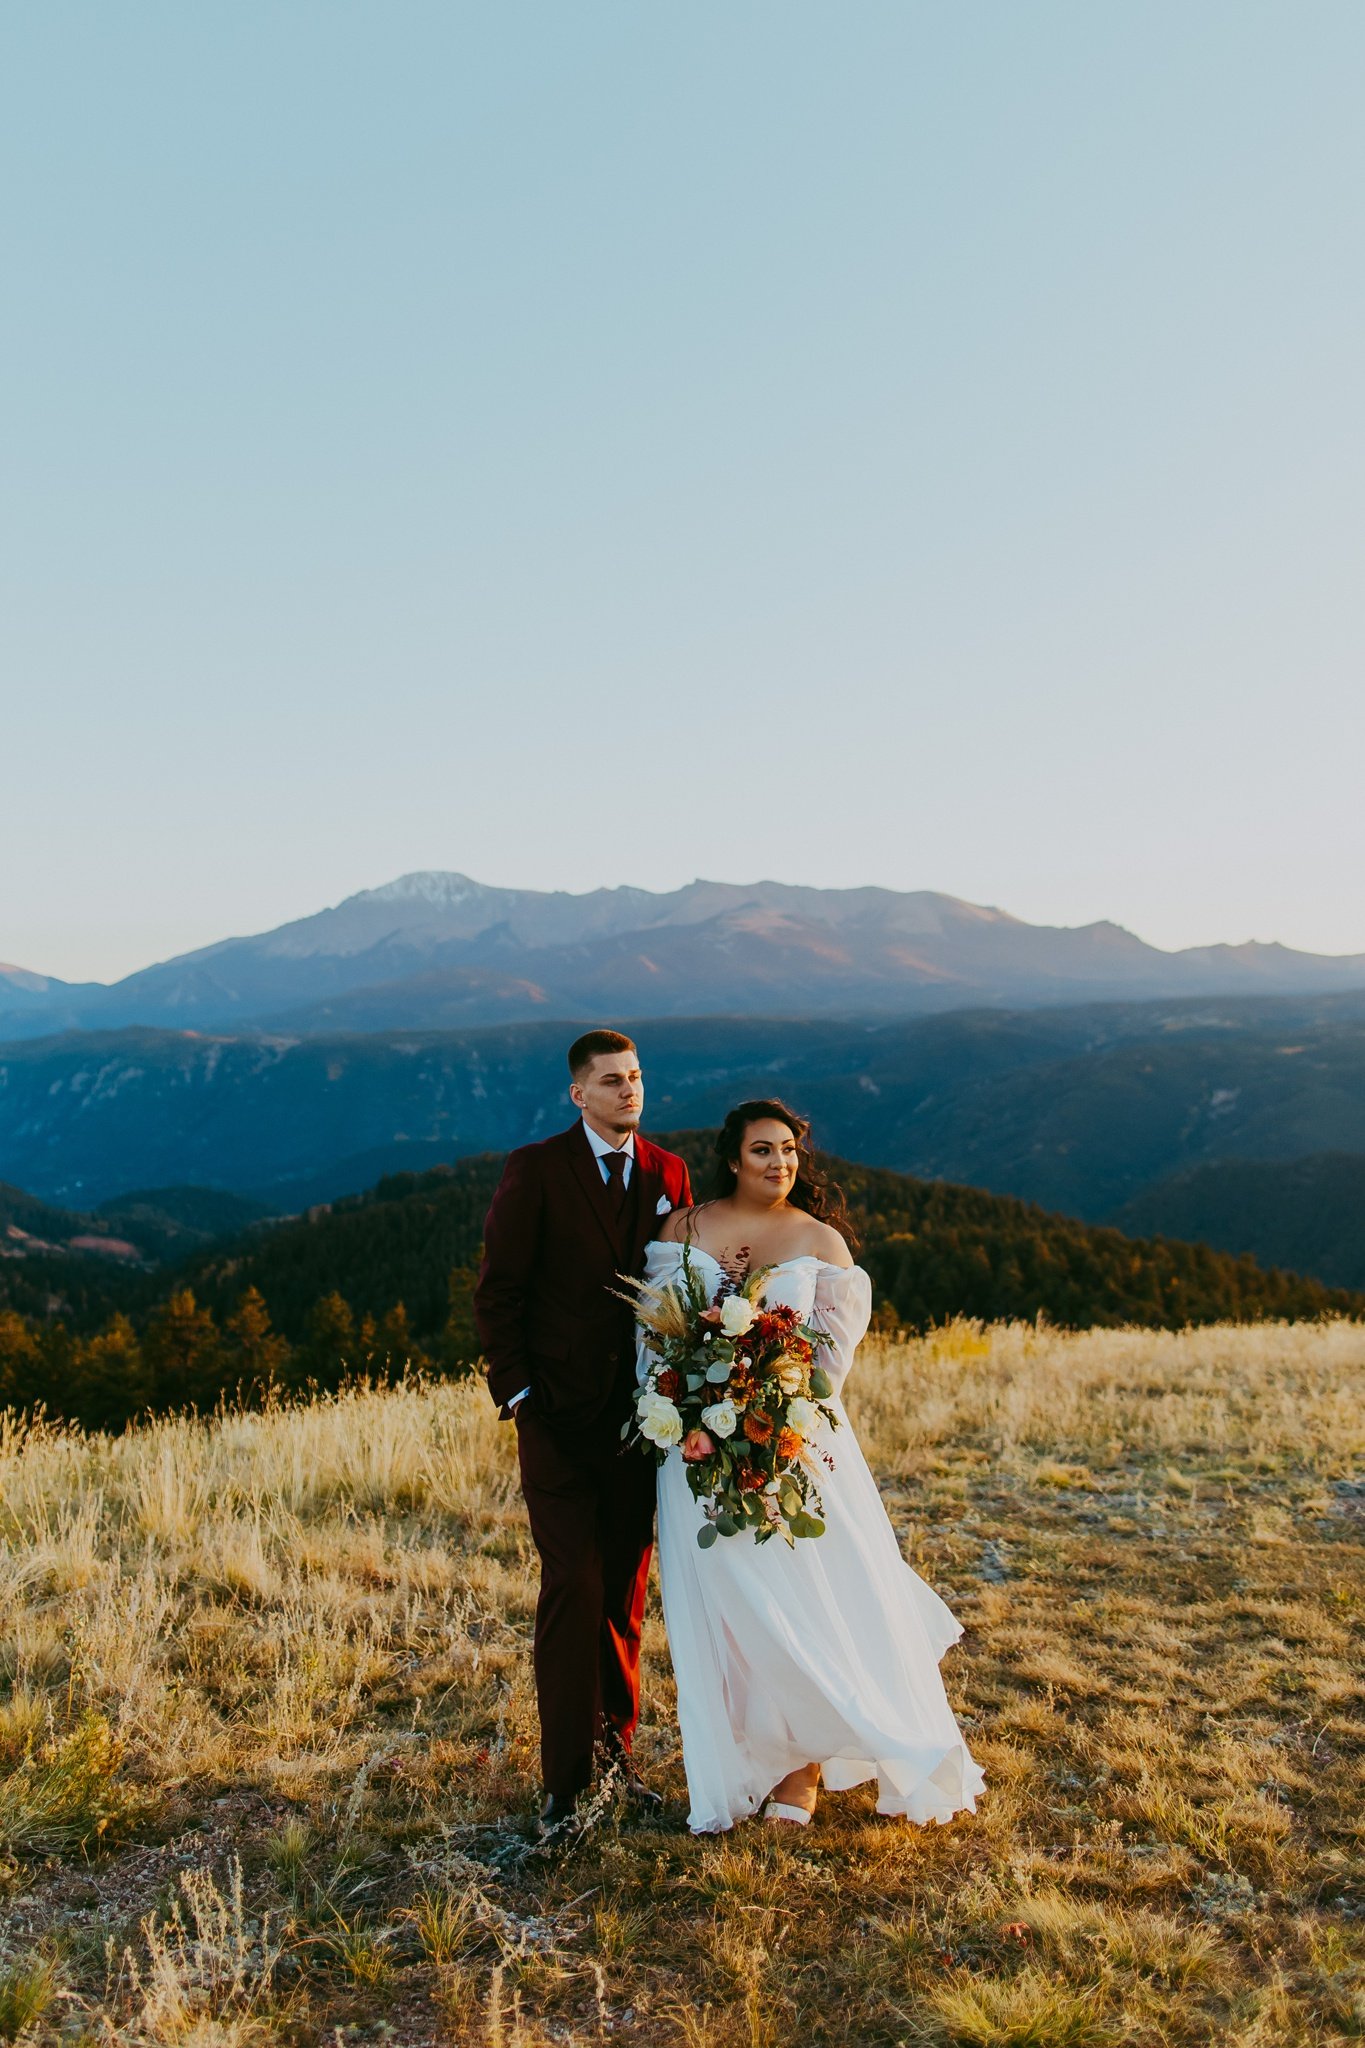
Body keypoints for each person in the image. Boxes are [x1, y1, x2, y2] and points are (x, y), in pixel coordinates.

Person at [645, 1098, 984, 1833]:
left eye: (789, 1150)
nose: (779, 1163)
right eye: (762, 1150)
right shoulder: (683, 1229)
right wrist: (685, 1402)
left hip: (793, 1444)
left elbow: (830, 1366)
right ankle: (743, 1760)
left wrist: (766, 1398)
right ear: (731, 1158)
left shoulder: (820, 1242)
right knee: (728, 1606)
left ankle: (801, 1767)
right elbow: (653, 1335)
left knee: (799, 1594)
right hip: (696, 1449)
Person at [474, 1029, 693, 1830]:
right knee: (573, 1585)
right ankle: (564, 1785)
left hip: (641, 1419)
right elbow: (498, 1290)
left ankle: (617, 1761)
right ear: (579, 1095)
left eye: (635, 1076)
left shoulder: (670, 1172)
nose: (628, 1090)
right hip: (557, 1417)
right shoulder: (535, 1169)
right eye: (610, 1080)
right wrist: (519, 1394)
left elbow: (677, 1284)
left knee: (625, 1592)